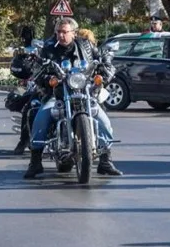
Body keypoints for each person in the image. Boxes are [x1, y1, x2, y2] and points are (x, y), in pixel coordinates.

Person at [24, 17, 122, 179]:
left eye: (65, 32)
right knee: (43, 115)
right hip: (57, 93)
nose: (61, 35)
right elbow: (37, 68)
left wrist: (105, 70)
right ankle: (35, 162)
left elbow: (101, 59)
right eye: (58, 32)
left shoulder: (86, 46)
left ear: (74, 33)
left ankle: (105, 160)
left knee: (103, 119)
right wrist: (46, 77)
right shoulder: (48, 48)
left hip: (84, 90)